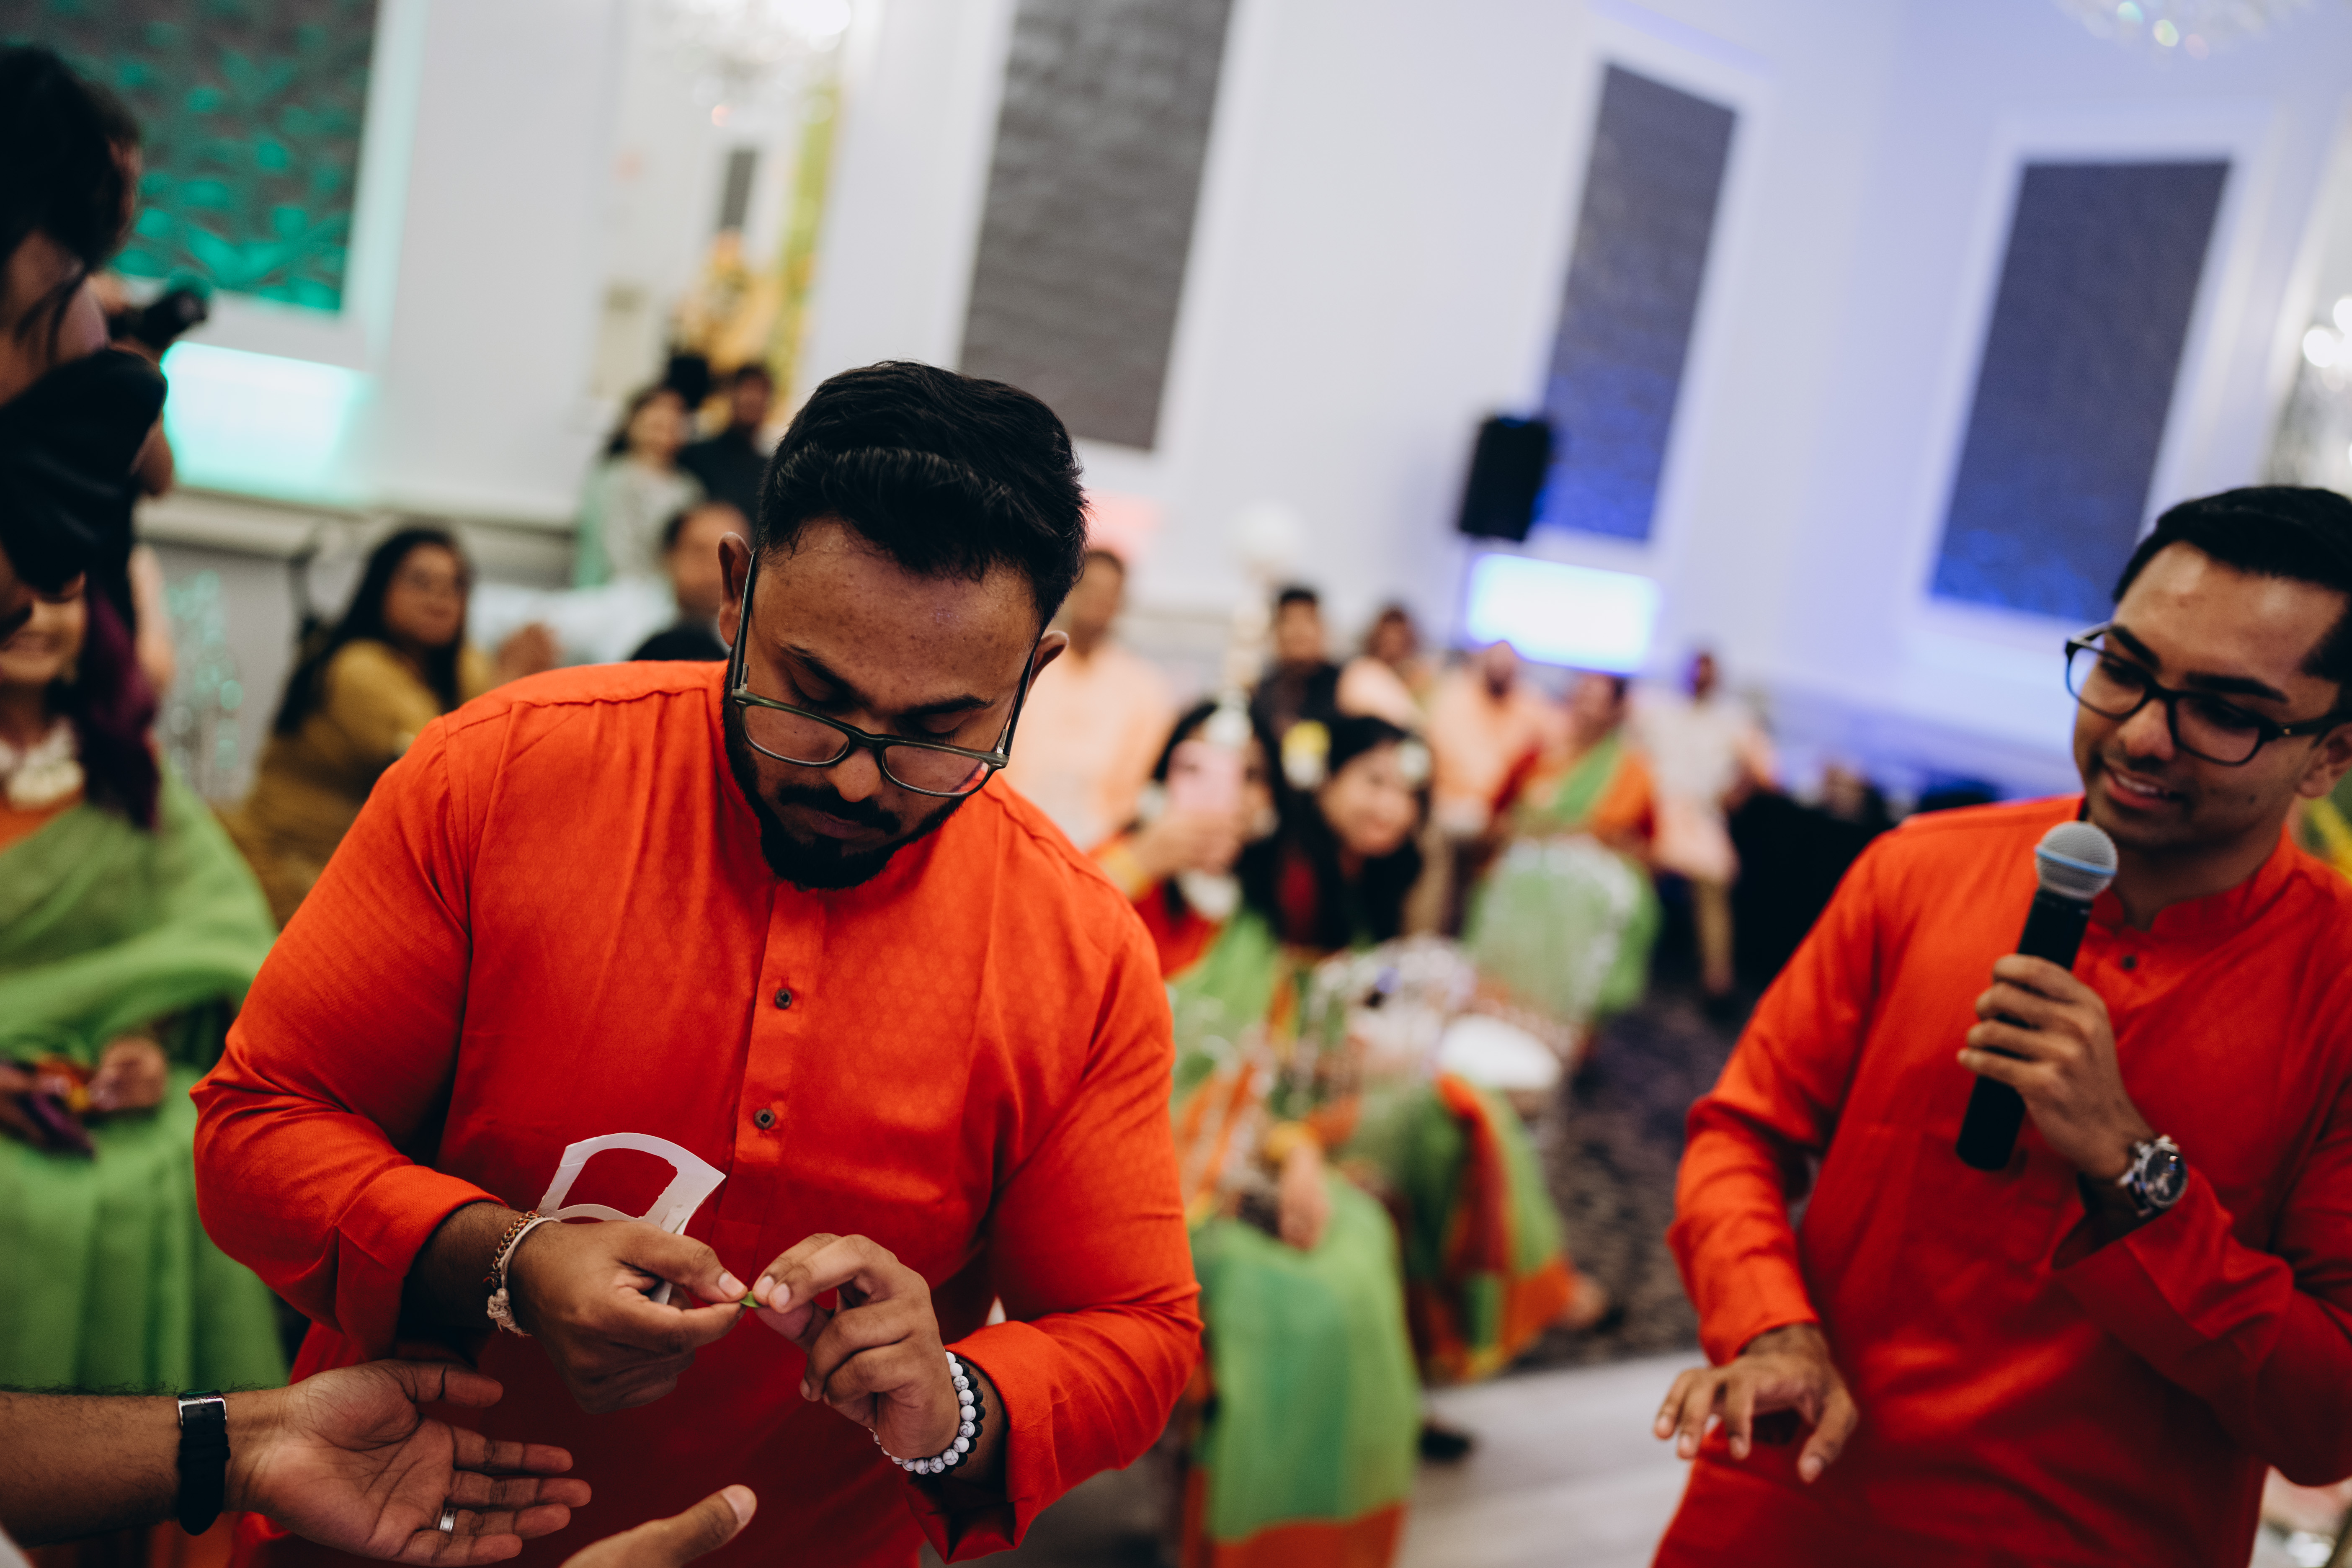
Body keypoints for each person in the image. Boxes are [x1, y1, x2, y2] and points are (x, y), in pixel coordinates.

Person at [191, 361, 1201, 1568]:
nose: (856, 776)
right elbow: (258, 1127)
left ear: (1030, 676)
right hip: (395, 1533)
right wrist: (504, 1260)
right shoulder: (500, 781)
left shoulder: (1078, 948)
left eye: (938, 731)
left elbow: (1137, 1328)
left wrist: (958, 1404)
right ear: (736, 591)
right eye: (812, 695)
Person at [1654, 487, 2352, 1566]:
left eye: (2225, 711)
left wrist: (2131, 1163)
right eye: (2123, 668)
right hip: (1792, 1502)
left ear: (2329, 755)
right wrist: (1769, 1325)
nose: (2141, 733)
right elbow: (1740, 1132)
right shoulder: (1918, 869)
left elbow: (2325, 1417)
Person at [1099, 707, 1595, 1565]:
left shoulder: (1276, 905)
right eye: (1194, 770)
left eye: (1247, 777)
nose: (1223, 797)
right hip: (1147, 1166)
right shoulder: (1133, 883)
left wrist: (1298, 1150)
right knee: (1302, 1288)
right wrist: (1144, 855)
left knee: (1392, 1204)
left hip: (1262, 1138)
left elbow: (1284, 1058)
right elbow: (1047, 951)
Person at [0, 578, 283, 1395]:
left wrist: (151, 1045)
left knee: (183, 1157)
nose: (37, 614)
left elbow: (220, 945)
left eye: (60, 591)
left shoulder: (130, 770)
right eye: (15, 586)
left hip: (103, 1101)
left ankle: (159, 1463)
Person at [224, 529, 502, 927]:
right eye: (420, 582)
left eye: (454, 586)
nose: (439, 599)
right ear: (380, 587)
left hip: (356, 872)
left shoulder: (462, 665)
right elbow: (443, 769)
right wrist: (510, 682)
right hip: (292, 864)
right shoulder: (357, 667)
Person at [0, 46, 165, 642]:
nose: (123, 206)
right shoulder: (44, 282)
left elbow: (159, 475)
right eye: (109, 179)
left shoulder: (76, 304)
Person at [1461, 671, 1660, 1044]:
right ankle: (1497, 1008)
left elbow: (1646, 848)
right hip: (1524, 867)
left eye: (1597, 701)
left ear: (1616, 711)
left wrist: (1587, 838)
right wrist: (1532, 833)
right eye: (1580, 696)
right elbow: (1496, 817)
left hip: (1592, 880)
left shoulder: (1631, 770)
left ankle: (1574, 1032)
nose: (1585, 708)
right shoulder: (1539, 754)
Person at [997, 547, 1174, 848]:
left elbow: (1133, 786)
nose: (1098, 602)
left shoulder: (1145, 687)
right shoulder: (1021, 665)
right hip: (1007, 825)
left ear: (1121, 602)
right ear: (1069, 591)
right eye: (1090, 589)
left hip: (1098, 843)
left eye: (1109, 594)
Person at [1632, 648, 1773, 1005]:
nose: (1700, 680)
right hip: (1655, 813)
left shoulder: (1733, 720)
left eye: (1707, 674)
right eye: (1696, 672)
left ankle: (1717, 979)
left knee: (1714, 879)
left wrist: (1736, 793)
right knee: (1638, 868)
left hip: (1700, 817)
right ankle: (1626, 955)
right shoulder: (1657, 710)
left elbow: (1767, 773)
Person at [1421, 641, 1563, 934]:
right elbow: (1448, 757)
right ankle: (1432, 932)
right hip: (1454, 805)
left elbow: (1560, 747)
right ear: (1481, 664)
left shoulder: (1530, 704)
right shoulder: (1455, 698)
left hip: (1508, 812)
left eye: (1508, 668)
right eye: (1495, 664)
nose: (1501, 672)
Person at [575, 387, 701, 588]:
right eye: (656, 426)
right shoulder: (612, 479)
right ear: (632, 426)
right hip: (613, 591)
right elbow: (610, 554)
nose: (662, 438)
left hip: (667, 592)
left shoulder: (689, 489)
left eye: (672, 427)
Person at [628, 503, 739, 663]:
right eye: (701, 553)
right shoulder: (617, 614)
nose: (716, 570)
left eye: (730, 557)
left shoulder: (754, 637)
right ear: (669, 555)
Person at [676, 364, 773, 523]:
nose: (753, 399)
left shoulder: (770, 471)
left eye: (761, 394)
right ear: (730, 396)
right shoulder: (694, 455)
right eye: (747, 391)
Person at [1248, 585, 1341, 751]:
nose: (1299, 631)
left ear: (1322, 629)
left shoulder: (1348, 687)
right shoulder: (1262, 694)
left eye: (1307, 620)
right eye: (1289, 621)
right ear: (1275, 631)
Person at [1335, 603, 1429, 730]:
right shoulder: (1362, 671)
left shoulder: (1419, 680)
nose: (1394, 649)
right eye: (1389, 640)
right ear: (1377, 638)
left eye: (1401, 640)